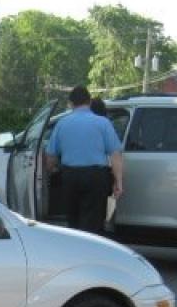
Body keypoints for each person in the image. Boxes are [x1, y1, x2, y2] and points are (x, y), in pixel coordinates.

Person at [45, 86, 123, 234]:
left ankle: (76, 250)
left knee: (73, 221)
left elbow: (51, 157)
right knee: (93, 223)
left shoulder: (62, 123)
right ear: (89, 101)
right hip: (96, 178)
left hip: (70, 177)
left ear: (71, 103)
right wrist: (118, 181)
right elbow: (115, 154)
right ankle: (91, 252)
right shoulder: (103, 123)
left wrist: (48, 173)